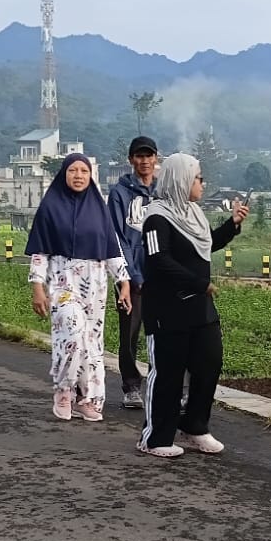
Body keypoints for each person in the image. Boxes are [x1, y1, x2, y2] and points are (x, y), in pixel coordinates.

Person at [136, 153, 247, 457]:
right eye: (198, 178)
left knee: (208, 365)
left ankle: (194, 426)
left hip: (200, 310)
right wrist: (199, 283)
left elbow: (206, 244)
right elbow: (158, 261)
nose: (202, 183)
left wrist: (232, 225)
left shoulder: (193, 214)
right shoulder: (156, 218)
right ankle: (156, 437)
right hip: (168, 311)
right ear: (181, 180)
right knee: (169, 373)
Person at [26, 154, 132, 421]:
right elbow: (39, 251)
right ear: (64, 174)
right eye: (72, 170)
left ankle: (88, 398)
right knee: (72, 334)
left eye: (84, 170)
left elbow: (112, 248)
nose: (78, 175)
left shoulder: (99, 209)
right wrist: (37, 287)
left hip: (95, 283)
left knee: (92, 343)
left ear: (90, 175)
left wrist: (124, 281)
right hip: (63, 281)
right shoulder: (50, 207)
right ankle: (63, 390)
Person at [107, 136, 160, 409]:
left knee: (165, 330)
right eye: (139, 156)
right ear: (131, 160)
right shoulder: (120, 193)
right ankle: (130, 386)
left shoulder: (164, 191)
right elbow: (117, 236)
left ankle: (164, 383)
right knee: (130, 331)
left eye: (149, 156)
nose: (144, 161)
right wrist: (129, 274)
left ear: (156, 158)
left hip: (160, 272)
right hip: (129, 273)